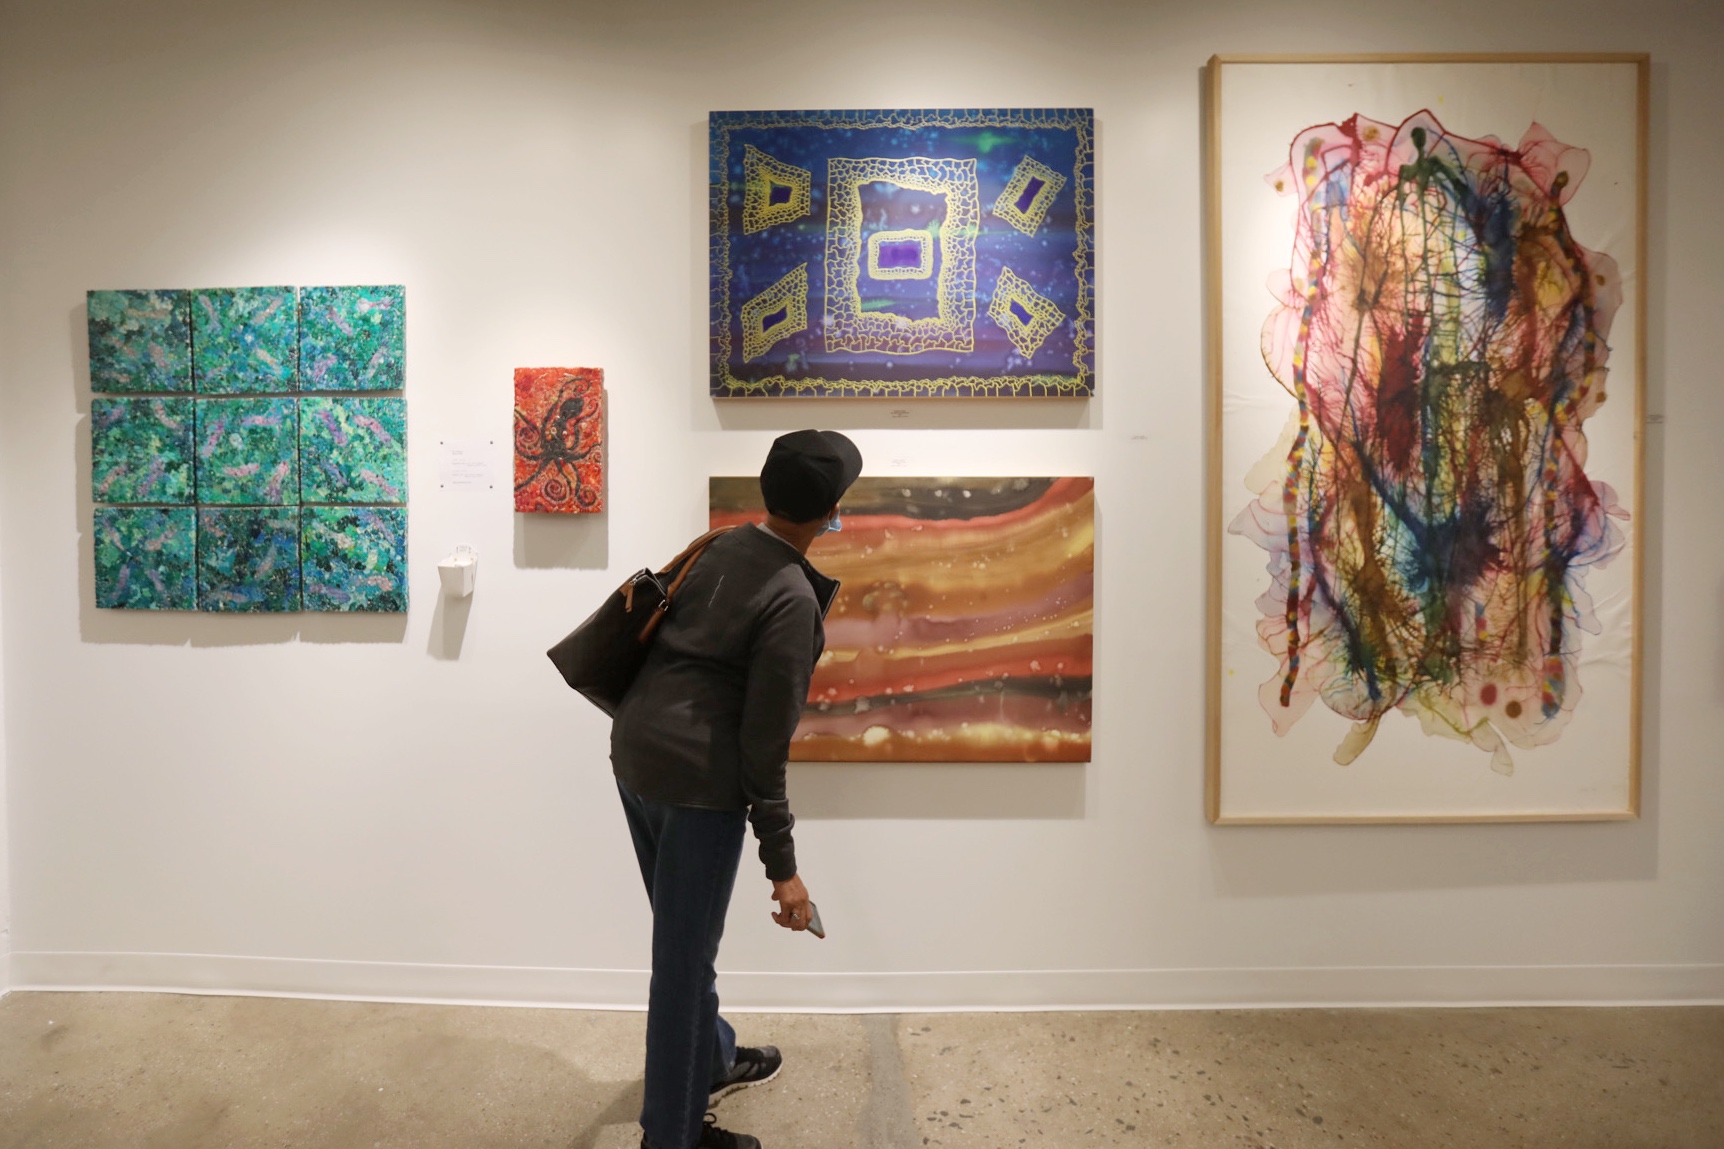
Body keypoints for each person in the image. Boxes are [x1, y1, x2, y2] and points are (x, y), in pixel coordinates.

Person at [610, 429, 862, 1149]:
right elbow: (764, 747)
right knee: (682, 967)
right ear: (831, 510)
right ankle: (671, 1136)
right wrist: (783, 868)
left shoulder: (722, 544)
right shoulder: (790, 599)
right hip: (693, 785)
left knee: (685, 943)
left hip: (635, 754)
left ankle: (712, 1058)